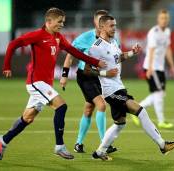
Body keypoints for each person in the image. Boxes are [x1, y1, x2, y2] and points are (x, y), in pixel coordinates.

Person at [0, 7, 106, 160]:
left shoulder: (58, 37)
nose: (61, 24)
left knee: (28, 118)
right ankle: (59, 146)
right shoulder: (38, 35)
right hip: (36, 82)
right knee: (61, 106)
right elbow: (13, 44)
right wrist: (7, 65)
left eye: (63, 22)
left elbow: (74, 52)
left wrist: (96, 62)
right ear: (48, 21)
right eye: (59, 22)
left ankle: (4, 140)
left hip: (45, 84)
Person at [89, 15, 174, 161]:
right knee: (140, 111)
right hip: (110, 92)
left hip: (119, 87)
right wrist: (106, 73)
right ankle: (162, 145)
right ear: (102, 27)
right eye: (111, 26)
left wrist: (132, 52)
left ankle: (100, 151)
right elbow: (89, 70)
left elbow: (118, 58)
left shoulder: (112, 43)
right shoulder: (96, 47)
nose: (114, 28)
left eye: (115, 25)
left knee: (119, 124)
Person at [60, 10, 117, 153]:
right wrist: (64, 75)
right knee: (101, 105)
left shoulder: (112, 39)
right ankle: (105, 144)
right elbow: (70, 56)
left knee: (88, 109)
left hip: (100, 76)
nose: (101, 25)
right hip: (85, 76)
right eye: (99, 21)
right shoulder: (84, 38)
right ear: (95, 22)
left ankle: (78, 143)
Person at [131, 9, 174, 129]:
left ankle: (136, 110)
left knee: (158, 94)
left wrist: (172, 65)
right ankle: (161, 121)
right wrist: (150, 68)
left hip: (159, 68)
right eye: (162, 18)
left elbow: (168, 49)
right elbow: (150, 50)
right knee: (159, 93)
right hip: (152, 67)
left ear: (168, 20)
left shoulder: (167, 31)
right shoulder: (153, 32)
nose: (164, 20)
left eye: (166, 18)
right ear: (158, 19)